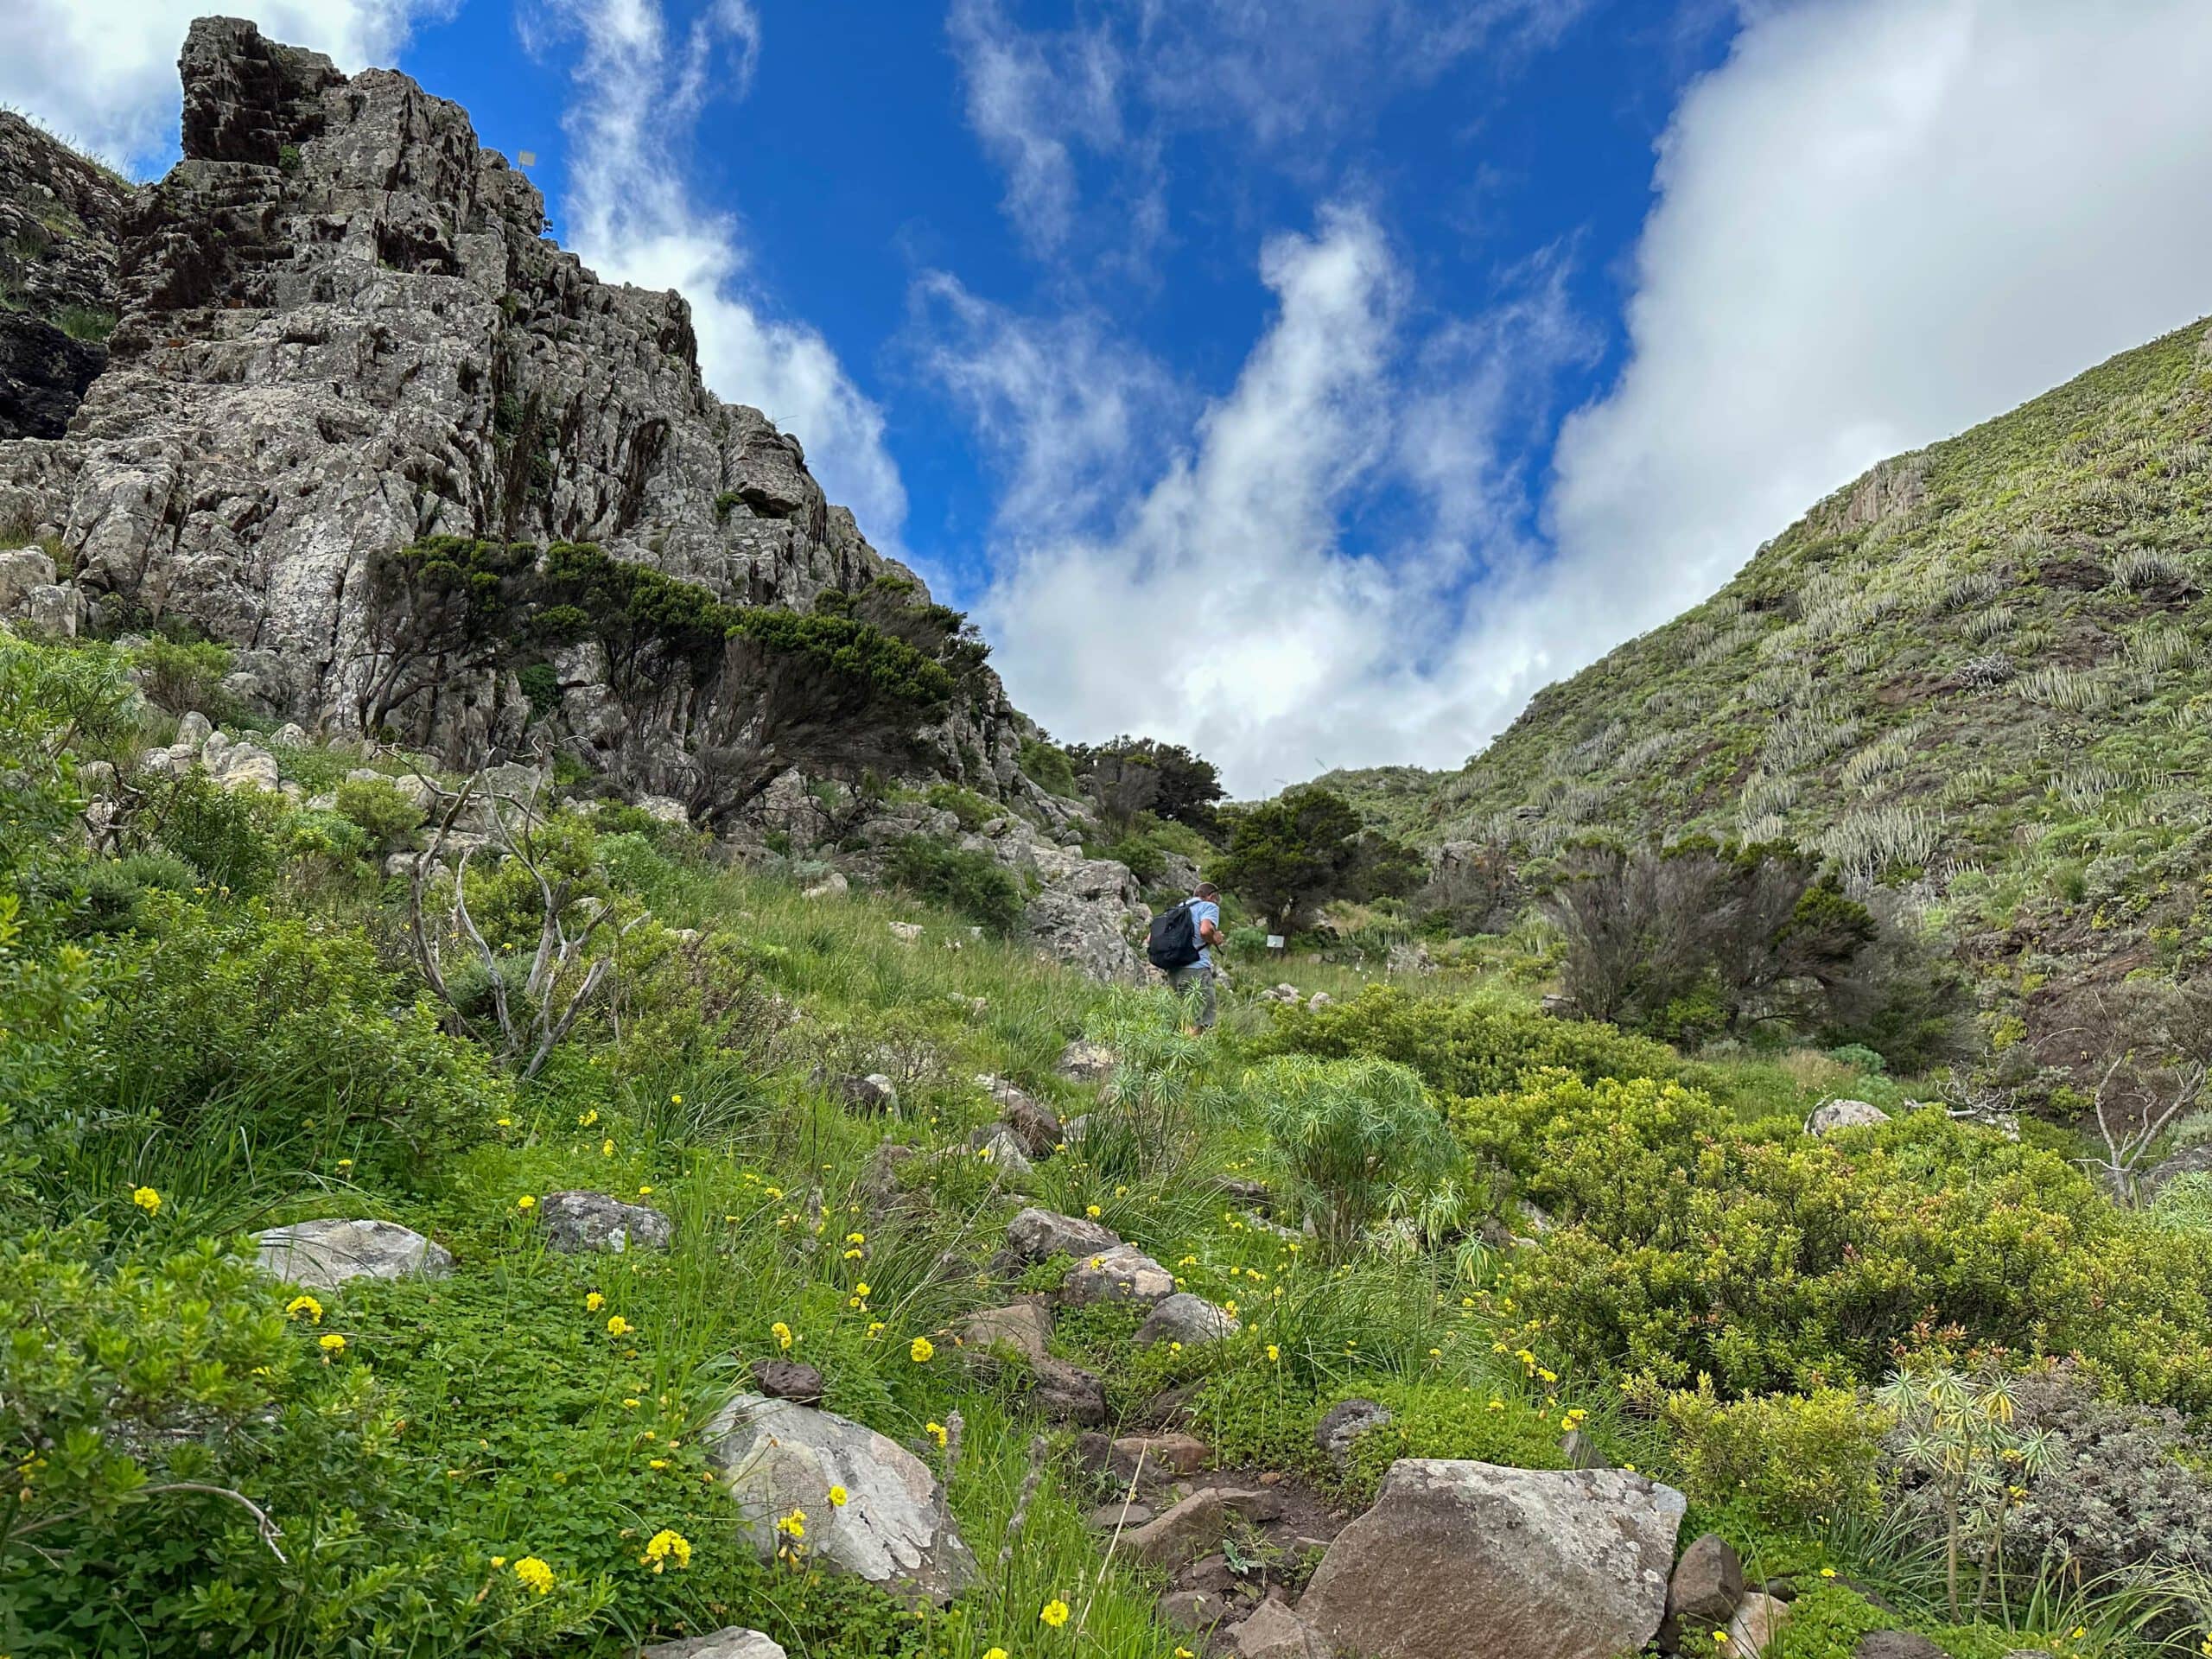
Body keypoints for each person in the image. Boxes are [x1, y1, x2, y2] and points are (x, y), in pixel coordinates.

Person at [1169, 881, 1224, 1033]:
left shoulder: (1179, 908)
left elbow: (1150, 938)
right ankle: (1191, 1054)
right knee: (1199, 1021)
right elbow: (1206, 931)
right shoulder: (1209, 906)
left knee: (1183, 1018)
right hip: (1196, 969)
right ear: (1212, 897)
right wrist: (1216, 939)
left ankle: (1174, 1053)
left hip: (1174, 972)